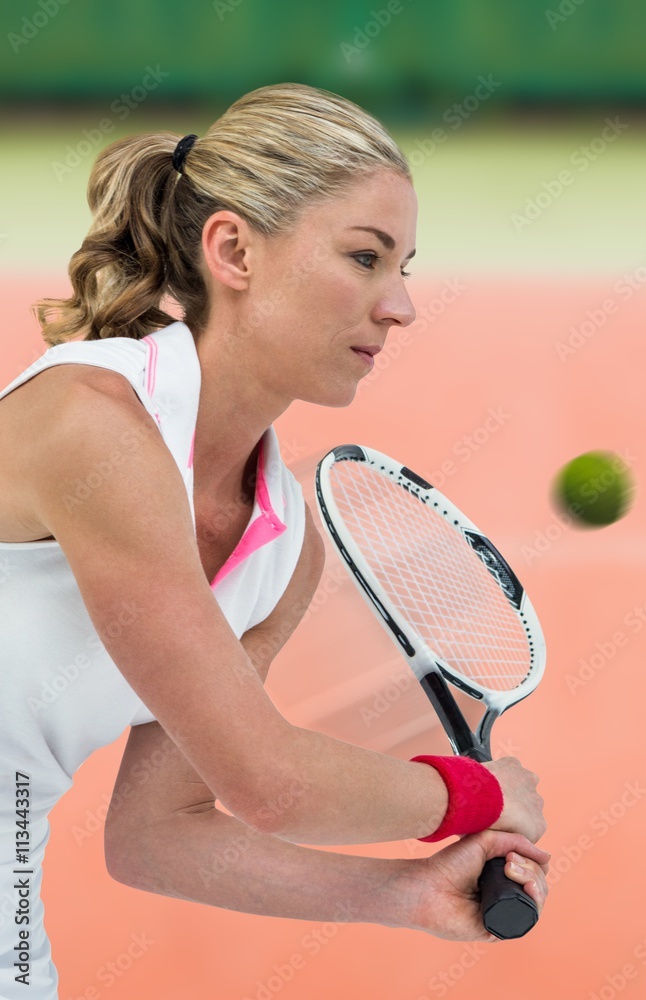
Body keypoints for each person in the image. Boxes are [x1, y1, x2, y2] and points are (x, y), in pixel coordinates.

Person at [0, 82, 548, 997]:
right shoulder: (90, 423)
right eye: (365, 258)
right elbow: (271, 784)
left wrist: (406, 895)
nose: (400, 305)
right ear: (232, 250)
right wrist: (479, 795)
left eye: (404, 266)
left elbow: (158, 833)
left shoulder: (286, 542)